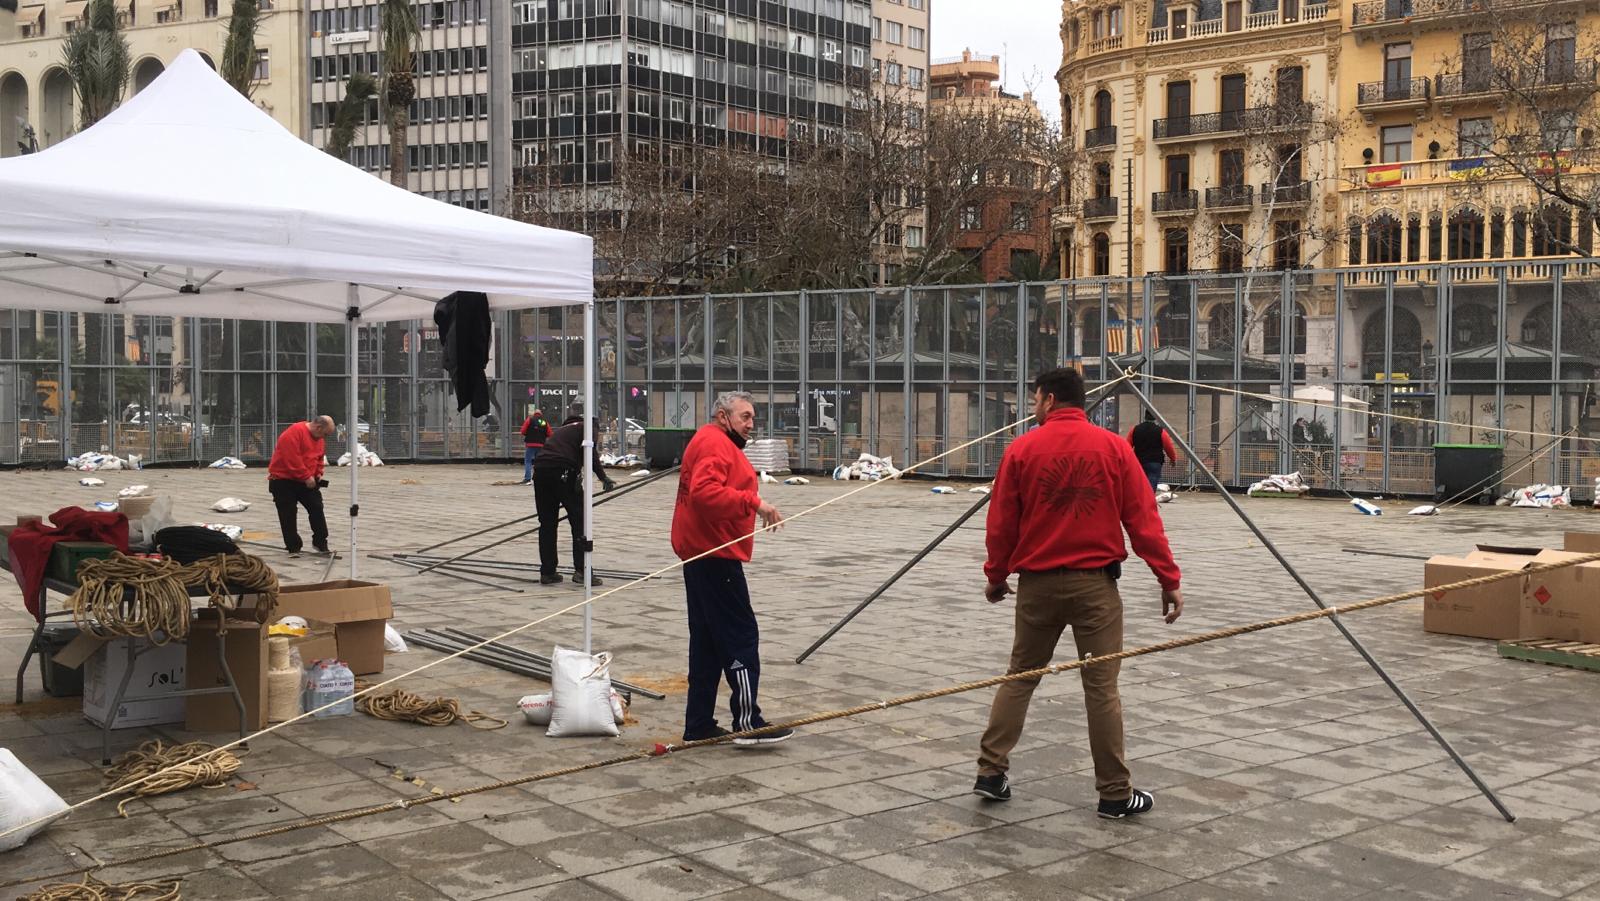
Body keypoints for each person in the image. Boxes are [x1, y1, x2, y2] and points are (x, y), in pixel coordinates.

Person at [975, 369, 1183, 818]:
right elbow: (1143, 519)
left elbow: (1002, 523)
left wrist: (996, 575)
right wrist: (1168, 578)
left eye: (1034, 400)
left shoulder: (1022, 450)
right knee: (1101, 688)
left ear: (1049, 400)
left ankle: (990, 771)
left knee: (1021, 676)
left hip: (1038, 585)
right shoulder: (1113, 448)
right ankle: (1114, 793)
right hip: (1096, 586)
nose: (1032, 408)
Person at [671, 391, 791, 746]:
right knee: (740, 636)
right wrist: (754, 502)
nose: (751, 424)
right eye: (745, 417)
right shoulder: (714, 443)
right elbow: (705, 493)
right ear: (723, 417)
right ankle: (747, 722)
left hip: (704, 554)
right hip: (714, 557)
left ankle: (699, 724)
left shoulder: (712, 441)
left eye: (752, 418)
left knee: (707, 642)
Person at [533, 404, 615, 586]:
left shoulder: (562, 430)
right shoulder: (587, 427)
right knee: (580, 522)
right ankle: (582, 570)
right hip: (564, 471)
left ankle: (547, 572)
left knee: (547, 524)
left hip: (540, 471)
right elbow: (590, 451)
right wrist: (603, 477)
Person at [268, 416, 335, 557]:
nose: (325, 438)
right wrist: (305, 476)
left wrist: (318, 473)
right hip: (283, 480)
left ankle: (320, 542)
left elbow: (319, 458)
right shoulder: (293, 433)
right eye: (326, 434)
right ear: (318, 428)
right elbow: (291, 458)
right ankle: (293, 547)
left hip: (307, 480)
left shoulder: (319, 439)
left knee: (317, 508)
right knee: (288, 513)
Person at [1125, 411, 1177, 491]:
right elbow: (1168, 447)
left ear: (1144, 416)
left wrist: (1126, 460)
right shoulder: (1161, 431)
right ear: (1155, 418)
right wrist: (1173, 459)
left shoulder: (1135, 429)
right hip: (1155, 461)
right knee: (1152, 481)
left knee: (1139, 482)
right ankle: (1149, 500)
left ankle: (1140, 499)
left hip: (1138, 461)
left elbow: (1127, 446)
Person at [519, 403, 551, 484]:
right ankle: (539, 478)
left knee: (528, 461)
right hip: (541, 445)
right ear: (541, 414)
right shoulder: (544, 422)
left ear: (534, 414)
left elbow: (523, 431)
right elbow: (550, 434)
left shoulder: (530, 419)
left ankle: (527, 478)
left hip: (530, 444)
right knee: (539, 462)